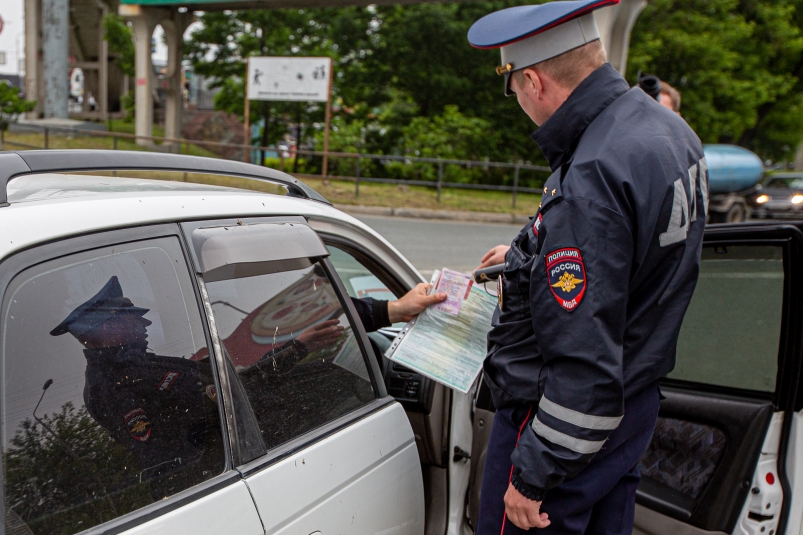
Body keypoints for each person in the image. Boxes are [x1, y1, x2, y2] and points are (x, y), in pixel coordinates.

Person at [467, 1, 706, 532]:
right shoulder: (668, 132)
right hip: (630, 406)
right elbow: (631, 262)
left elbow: (583, 357)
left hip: (559, 428)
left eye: (513, 89)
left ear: (533, 81)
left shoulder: (591, 178)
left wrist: (532, 475)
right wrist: (534, 256)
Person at [50, 276, 222, 496]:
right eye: (133, 317)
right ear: (109, 328)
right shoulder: (109, 387)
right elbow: (169, 455)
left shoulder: (138, 365)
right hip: (205, 486)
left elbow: (203, 376)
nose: (146, 323)